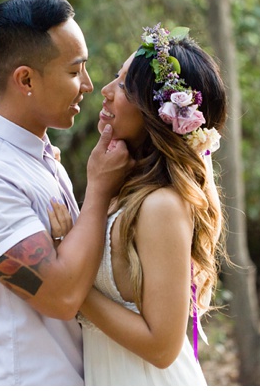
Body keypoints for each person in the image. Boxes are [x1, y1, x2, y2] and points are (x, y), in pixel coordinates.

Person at [0, 0, 134, 385]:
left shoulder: (41, 158)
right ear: (25, 79)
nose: (88, 85)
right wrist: (96, 191)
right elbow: (61, 296)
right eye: (74, 71)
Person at [49, 23, 227, 385]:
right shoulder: (125, 193)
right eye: (116, 77)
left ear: (157, 113)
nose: (106, 91)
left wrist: (71, 289)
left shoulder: (162, 205)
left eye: (125, 86)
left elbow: (162, 348)